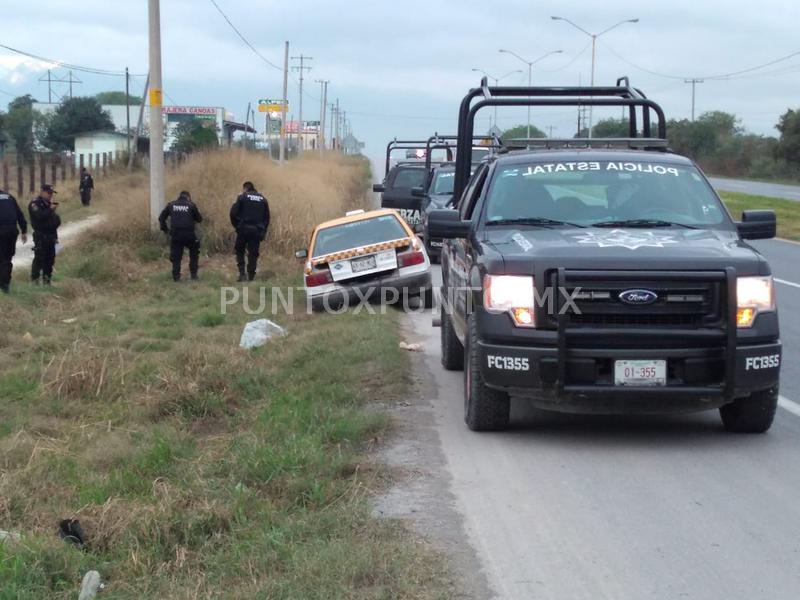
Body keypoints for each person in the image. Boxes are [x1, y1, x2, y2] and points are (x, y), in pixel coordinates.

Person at [229, 181, 270, 282]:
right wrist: (262, 230)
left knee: (239, 251)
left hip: (243, 229)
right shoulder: (263, 199)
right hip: (256, 231)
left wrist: (237, 226)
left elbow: (233, 213)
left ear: (245, 188)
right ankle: (251, 277)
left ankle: (242, 274)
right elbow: (267, 218)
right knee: (253, 254)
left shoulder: (242, 197)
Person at [158, 190, 203, 282]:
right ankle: (194, 275)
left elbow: (161, 218)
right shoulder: (191, 205)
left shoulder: (171, 205)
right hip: (189, 234)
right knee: (194, 253)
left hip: (176, 234)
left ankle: (176, 277)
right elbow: (199, 219)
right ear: (188, 197)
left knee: (176, 256)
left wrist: (165, 229)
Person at [28, 184, 61, 286]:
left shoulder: (49, 204)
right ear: (42, 192)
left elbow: (55, 222)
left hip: (51, 236)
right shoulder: (35, 203)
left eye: (51, 193)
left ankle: (47, 281)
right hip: (40, 235)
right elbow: (40, 216)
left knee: (50, 259)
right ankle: (35, 281)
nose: (50, 195)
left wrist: (55, 238)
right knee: (39, 259)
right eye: (48, 193)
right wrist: (50, 209)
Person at [0, 188, 28, 294]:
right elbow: (20, 214)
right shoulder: (10, 197)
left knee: (1, 259)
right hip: (12, 231)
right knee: (7, 259)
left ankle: (3, 284)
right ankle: (5, 285)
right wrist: (24, 231)